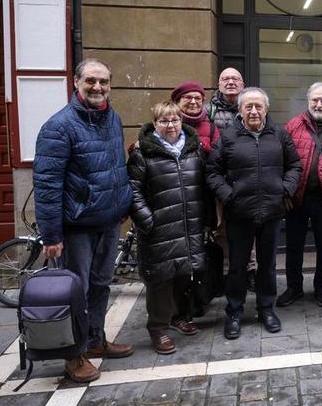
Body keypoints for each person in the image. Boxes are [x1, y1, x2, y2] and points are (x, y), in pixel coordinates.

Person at [33, 58, 133, 383]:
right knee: (76, 292)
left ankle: (95, 341)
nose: (97, 87)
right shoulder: (59, 126)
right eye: (90, 81)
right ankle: (73, 355)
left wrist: (124, 205)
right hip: (76, 228)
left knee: (102, 285)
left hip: (108, 222)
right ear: (76, 82)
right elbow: (47, 184)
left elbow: (117, 168)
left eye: (103, 81)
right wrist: (50, 235)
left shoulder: (112, 118)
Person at [206, 87, 302, 338]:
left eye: (258, 106)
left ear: (266, 109)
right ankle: (234, 312)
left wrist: (285, 189)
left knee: (268, 265)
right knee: (237, 267)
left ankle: (266, 309)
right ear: (240, 110)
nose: (253, 110)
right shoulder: (227, 137)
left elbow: (294, 165)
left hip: (271, 211)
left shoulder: (279, 134)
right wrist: (229, 196)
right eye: (248, 106)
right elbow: (212, 172)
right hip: (240, 213)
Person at [127, 101, 207, 354]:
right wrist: (148, 221)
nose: (170, 125)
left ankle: (178, 317)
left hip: (188, 224)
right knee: (160, 279)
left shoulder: (194, 149)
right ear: (155, 124)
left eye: (174, 120)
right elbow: (133, 190)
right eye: (164, 121)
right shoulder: (143, 152)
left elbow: (203, 184)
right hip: (159, 228)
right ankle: (158, 329)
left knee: (184, 273)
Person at [278, 82, 322, 308]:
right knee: (294, 245)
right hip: (296, 197)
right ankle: (294, 287)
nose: (319, 104)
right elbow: (282, 162)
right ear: (308, 102)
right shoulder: (293, 125)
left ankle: (321, 287)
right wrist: (285, 192)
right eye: (314, 100)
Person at [207, 68, 257, 291]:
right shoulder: (208, 110)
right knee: (220, 229)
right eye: (225, 79)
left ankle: (251, 271)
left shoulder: (251, 107)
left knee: (250, 226)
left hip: (246, 178)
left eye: (235, 79)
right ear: (218, 84)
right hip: (219, 179)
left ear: (242, 83)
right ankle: (228, 273)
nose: (230, 82)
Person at [172, 81, 220, 150]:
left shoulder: (211, 128)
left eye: (198, 98)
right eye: (188, 98)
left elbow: (217, 155)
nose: (193, 102)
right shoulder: (168, 125)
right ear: (178, 101)